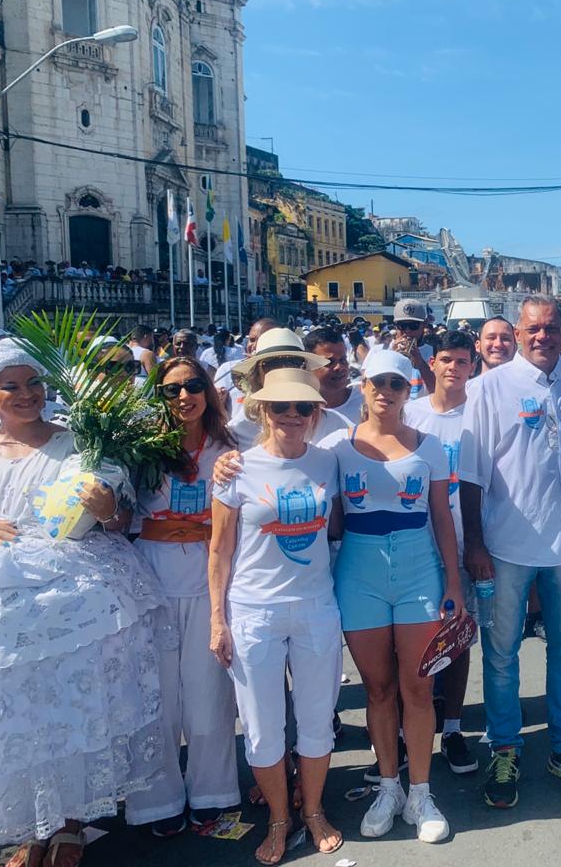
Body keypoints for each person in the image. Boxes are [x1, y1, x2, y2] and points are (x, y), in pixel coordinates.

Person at [0, 340, 163, 867]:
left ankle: (71, 822)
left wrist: (106, 509)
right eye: (11, 386)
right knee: (17, 715)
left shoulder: (78, 442)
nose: (26, 394)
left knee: (68, 706)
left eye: (33, 382)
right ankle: (31, 828)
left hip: (68, 598)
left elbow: (117, 522)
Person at [459, 295, 561, 807]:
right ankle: (505, 746)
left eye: (552, 327)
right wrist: (475, 542)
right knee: (501, 654)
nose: (543, 336)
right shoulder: (487, 388)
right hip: (507, 546)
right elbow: (470, 473)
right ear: (518, 334)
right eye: (534, 328)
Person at [208, 368, 344, 864]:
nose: (292, 415)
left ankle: (314, 810)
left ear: (316, 414)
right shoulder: (236, 468)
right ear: (263, 411)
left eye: (303, 407)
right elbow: (219, 550)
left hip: (315, 607)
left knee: (316, 721)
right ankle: (280, 819)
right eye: (280, 407)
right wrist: (217, 620)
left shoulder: (328, 461)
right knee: (263, 729)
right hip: (254, 611)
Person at [327, 350, 462, 842]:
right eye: (377, 382)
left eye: (396, 383)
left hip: (418, 570)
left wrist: (453, 582)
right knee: (378, 689)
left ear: (409, 390)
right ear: (362, 385)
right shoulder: (336, 447)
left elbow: (442, 517)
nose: (385, 391)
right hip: (357, 571)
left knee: (419, 688)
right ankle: (389, 786)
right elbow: (289, 467)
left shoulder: (431, 447)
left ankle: (421, 793)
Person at [126, 357, 240, 837]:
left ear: (209, 391)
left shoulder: (228, 449)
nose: (183, 397)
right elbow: (123, 515)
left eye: (193, 385)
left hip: (209, 578)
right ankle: (158, 800)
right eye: (171, 390)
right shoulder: (139, 449)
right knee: (156, 696)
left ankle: (212, 791)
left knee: (208, 692)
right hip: (151, 578)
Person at [403, 329, 480, 776]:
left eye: (462, 361)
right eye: (446, 360)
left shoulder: (480, 415)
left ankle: (451, 727)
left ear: (473, 367)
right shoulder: (410, 413)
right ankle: (408, 730)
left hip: (465, 542)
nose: (453, 368)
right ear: (432, 364)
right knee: (411, 640)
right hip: (416, 543)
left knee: (457, 638)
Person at [226, 328, 329, 448]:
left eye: (293, 362)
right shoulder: (237, 429)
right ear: (257, 375)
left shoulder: (330, 421)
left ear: (305, 369)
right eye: (273, 364)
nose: (283, 371)